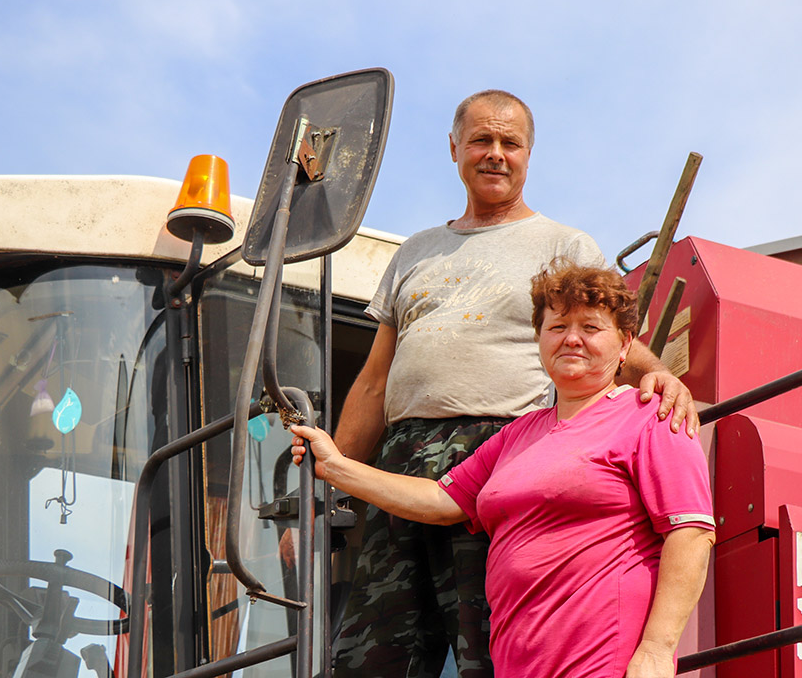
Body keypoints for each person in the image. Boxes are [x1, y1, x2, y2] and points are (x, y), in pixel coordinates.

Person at [323, 89, 698, 677]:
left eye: (510, 143)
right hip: (401, 461)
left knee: (484, 647)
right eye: (481, 140)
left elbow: (602, 334)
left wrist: (661, 378)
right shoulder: (415, 252)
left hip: (499, 453)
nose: (495, 153)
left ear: (528, 155)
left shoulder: (563, 245)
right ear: (454, 149)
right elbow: (374, 383)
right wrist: (334, 488)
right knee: (373, 650)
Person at [291, 262, 714, 677]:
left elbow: (691, 532)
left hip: (603, 660)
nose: (572, 339)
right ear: (539, 340)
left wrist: (657, 650)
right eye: (557, 326)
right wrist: (336, 465)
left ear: (624, 345)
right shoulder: (518, 435)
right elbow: (440, 499)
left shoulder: (649, 417)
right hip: (517, 662)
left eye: (591, 327)